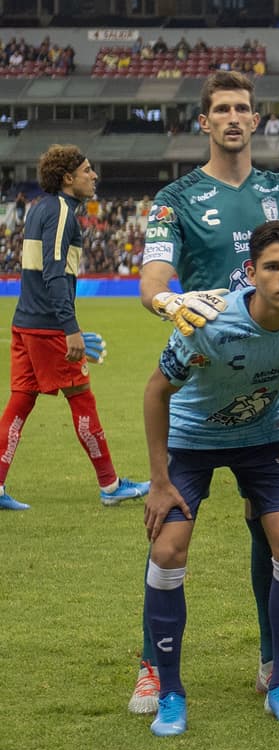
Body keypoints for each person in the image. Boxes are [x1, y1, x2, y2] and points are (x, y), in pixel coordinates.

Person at [133, 70, 279, 714]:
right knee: (168, 536)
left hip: (264, 390)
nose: (232, 117)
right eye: (220, 108)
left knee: (272, 532)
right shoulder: (177, 197)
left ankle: (270, 662)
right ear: (205, 121)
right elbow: (154, 277)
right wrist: (171, 300)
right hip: (203, 365)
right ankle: (152, 667)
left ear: (256, 121)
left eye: (242, 108)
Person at [141, 221, 279, 736]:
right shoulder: (209, 324)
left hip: (263, 439)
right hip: (191, 443)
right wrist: (159, 479)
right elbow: (155, 392)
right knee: (168, 550)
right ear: (251, 274)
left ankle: (278, 682)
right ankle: (168, 691)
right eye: (273, 267)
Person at [0, 146, 147, 511]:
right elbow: (53, 272)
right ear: (68, 178)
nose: (93, 175)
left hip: (26, 322)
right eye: (86, 170)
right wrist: (70, 328)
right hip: (49, 326)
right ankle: (110, 485)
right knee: (81, 397)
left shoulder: (39, 209)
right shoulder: (63, 211)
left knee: (19, 402)